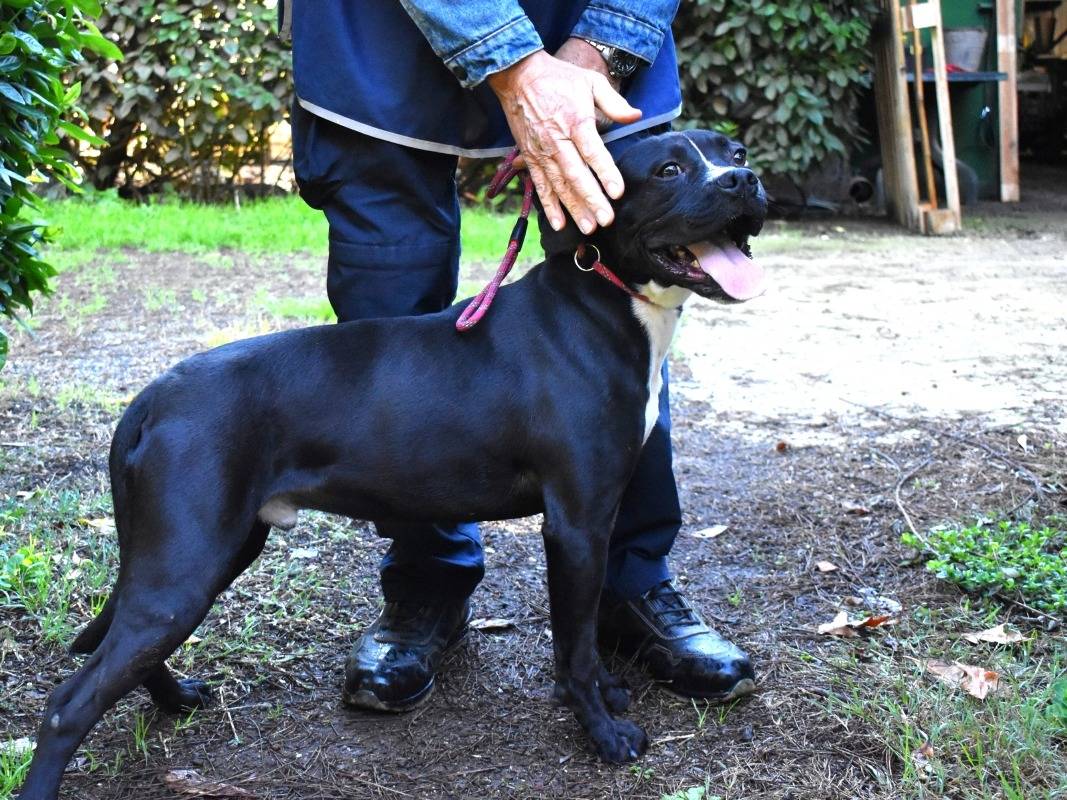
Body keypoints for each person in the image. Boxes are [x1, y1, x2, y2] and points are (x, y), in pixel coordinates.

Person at [282, 0, 756, 711]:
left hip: (593, 41)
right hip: (377, 44)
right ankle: (427, 582)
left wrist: (600, 48)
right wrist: (510, 60)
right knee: (388, 298)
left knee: (612, 329)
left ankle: (629, 581)